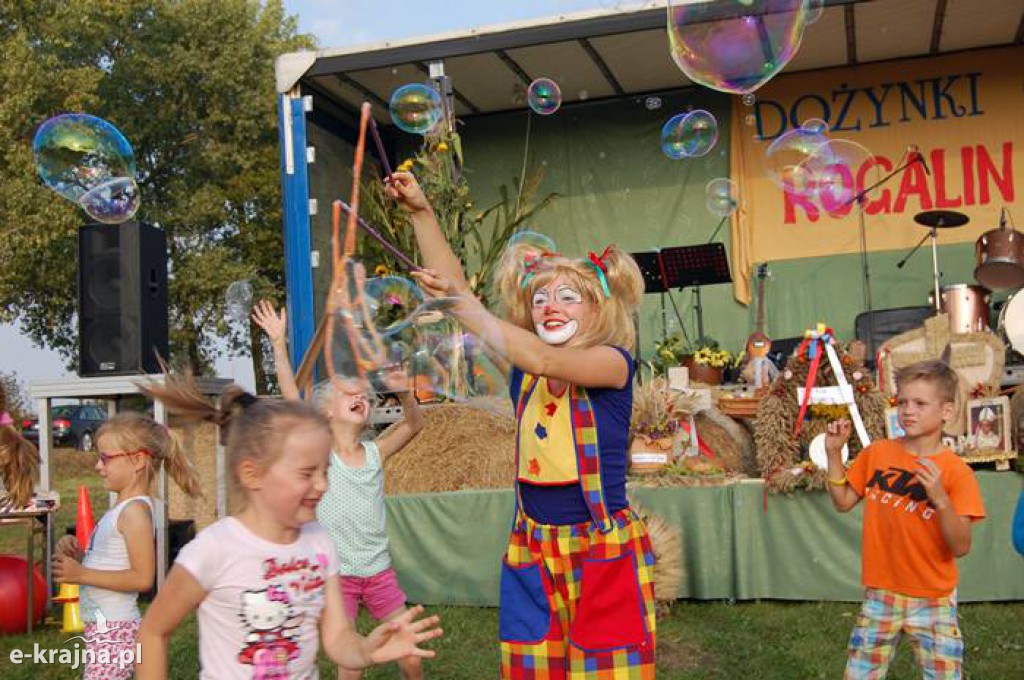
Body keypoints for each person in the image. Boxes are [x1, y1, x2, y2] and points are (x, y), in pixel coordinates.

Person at [386, 170, 656, 679]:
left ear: (598, 308)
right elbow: (458, 289)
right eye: (539, 300)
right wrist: (422, 212)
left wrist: (462, 304)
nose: (549, 306)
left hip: (601, 549)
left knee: (607, 670)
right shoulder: (524, 371)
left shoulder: (612, 363)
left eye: (567, 297)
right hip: (533, 546)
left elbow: (544, 358)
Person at [136, 372, 441, 680]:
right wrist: (280, 345)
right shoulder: (211, 549)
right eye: (308, 473)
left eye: (324, 471)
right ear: (253, 475)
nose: (323, 485)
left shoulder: (320, 543)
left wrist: (364, 651)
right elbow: (152, 632)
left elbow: (337, 638)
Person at [253, 299, 426, 680]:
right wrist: (279, 344)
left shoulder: (375, 452)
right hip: (338, 576)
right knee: (349, 663)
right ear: (326, 411)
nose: (360, 397)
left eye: (364, 395)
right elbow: (291, 400)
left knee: (410, 654)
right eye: (349, 393)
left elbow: (414, 425)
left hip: (379, 572)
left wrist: (404, 393)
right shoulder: (321, 454)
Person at [825, 359, 986, 680]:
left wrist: (939, 498)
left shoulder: (957, 472)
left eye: (920, 403)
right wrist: (833, 455)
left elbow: (961, 546)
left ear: (947, 412)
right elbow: (843, 502)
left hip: (933, 598)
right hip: (881, 593)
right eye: (902, 402)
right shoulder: (877, 454)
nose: (908, 411)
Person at [52, 412, 203, 680]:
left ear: (138, 460)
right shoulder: (121, 509)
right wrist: (79, 556)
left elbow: (142, 577)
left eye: (106, 458)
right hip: (105, 625)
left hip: (115, 628)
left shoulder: (134, 512)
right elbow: (112, 564)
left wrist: (81, 575)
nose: (98, 466)